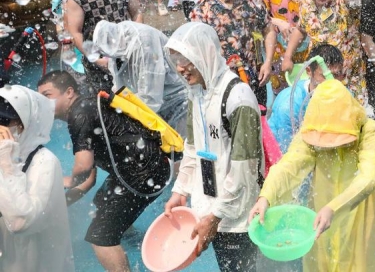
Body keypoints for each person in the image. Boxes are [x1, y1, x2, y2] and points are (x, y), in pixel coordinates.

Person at [249, 77, 375, 272]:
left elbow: (369, 178)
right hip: (320, 212)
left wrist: (334, 208)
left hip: (360, 213)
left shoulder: (370, 132)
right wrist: (266, 196)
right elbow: (289, 165)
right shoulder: (313, 131)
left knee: (363, 265)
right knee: (323, 263)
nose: (330, 144)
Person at [38, 70, 172, 272]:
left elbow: (82, 169)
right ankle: (132, 239)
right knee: (101, 202)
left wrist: (64, 181)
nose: (42, 103)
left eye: (47, 96)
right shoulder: (86, 106)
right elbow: (89, 179)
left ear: (69, 92)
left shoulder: (80, 114)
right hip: (148, 167)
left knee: (100, 236)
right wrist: (59, 205)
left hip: (145, 174)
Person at [163, 22, 263, 272]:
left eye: (186, 60)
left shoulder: (238, 98)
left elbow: (244, 170)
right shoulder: (196, 93)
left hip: (237, 213)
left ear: (205, 55)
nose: (180, 68)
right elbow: (192, 147)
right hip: (210, 206)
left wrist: (215, 216)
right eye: (176, 60)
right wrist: (181, 190)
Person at [0, 85, 73, 272]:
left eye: (4, 121)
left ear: (27, 124)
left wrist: (7, 163)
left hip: (35, 264)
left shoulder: (45, 162)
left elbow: (21, 222)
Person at [283, 0, 367, 103]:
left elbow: (355, 2)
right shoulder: (305, 1)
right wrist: (287, 56)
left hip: (349, 77)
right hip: (318, 78)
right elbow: (301, 29)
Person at [64, 0, 141, 97]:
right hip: (98, 62)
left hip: (125, 54)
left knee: (132, 100)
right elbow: (75, 32)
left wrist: (137, 39)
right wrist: (96, 59)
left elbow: (137, 11)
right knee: (106, 104)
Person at [190, 0, 271, 100]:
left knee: (259, 119)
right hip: (222, 85)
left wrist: (268, 62)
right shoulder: (203, 9)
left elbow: (268, 29)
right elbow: (196, 49)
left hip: (256, 78)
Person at [92, 20, 190, 134]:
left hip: (177, 102)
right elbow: (119, 87)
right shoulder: (115, 47)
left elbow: (151, 100)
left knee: (183, 146)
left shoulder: (144, 41)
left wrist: (126, 112)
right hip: (158, 108)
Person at [268, 44, 344, 153]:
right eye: (325, 76)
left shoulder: (344, 95)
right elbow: (287, 153)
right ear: (309, 71)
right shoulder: (290, 105)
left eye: (336, 75)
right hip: (279, 153)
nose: (331, 82)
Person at [256, 0, 309, 90]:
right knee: (281, 93)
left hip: (304, 50)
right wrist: (277, 21)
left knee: (304, 91)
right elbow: (257, 18)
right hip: (278, 51)